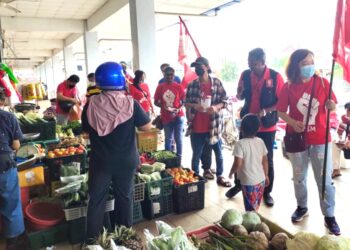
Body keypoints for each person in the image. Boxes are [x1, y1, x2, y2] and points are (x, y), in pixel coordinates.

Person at [82, 62, 151, 242]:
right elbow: (146, 127)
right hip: (125, 161)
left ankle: (93, 241)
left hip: (101, 162)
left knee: (96, 200)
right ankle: (124, 238)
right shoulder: (131, 104)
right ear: (121, 80)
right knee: (125, 197)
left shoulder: (89, 106)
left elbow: (86, 130)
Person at [277, 49, 340, 235]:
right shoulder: (288, 87)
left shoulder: (322, 82)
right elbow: (280, 111)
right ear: (296, 65)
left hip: (321, 139)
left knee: (325, 181)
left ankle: (329, 216)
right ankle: (302, 207)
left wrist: (332, 106)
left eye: (311, 62)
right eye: (305, 63)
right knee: (299, 177)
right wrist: (292, 123)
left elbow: (334, 105)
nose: (309, 66)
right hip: (297, 140)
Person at [226, 48, 284, 206]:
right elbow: (240, 96)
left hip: (267, 126)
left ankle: (267, 191)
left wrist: (267, 110)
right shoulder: (245, 75)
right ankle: (239, 185)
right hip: (248, 124)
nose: (251, 67)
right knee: (241, 156)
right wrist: (239, 94)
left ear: (263, 62)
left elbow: (282, 101)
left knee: (267, 159)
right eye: (249, 64)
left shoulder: (275, 76)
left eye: (254, 64)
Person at [185, 56, 231, 187]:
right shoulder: (192, 84)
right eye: (195, 66)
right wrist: (195, 106)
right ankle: (195, 179)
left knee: (219, 155)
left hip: (214, 126)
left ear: (206, 66)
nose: (197, 68)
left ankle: (220, 176)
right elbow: (186, 102)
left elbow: (226, 101)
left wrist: (215, 107)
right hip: (197, 126)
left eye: (200, 66)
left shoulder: (216, 82)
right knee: (196, 155)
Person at [0, 89, 30, 250]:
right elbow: (16, 145)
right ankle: (13, 240)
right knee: (11, 203)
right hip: (3, 165)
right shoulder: (8, 117)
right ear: (3, 102)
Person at [229, 114, 269, 211]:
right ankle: (255, 220)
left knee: (250, 209)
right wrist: (266, 175)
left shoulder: (240, 144)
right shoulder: (260, 141)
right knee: (256, 206)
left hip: (248, 182)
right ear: (258, 129)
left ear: (241, 128)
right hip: (261, 180)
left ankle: (252, 223)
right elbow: (265, 161)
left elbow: (237, 164)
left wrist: (231, 172)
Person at [154, 66, 185, 157]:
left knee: (178, 139)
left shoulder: (179, 87)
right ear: (164, 75)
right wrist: (163, 106)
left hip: (178, 116)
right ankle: (168, 159)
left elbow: (184, 100)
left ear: (174, 75)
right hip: (166, 117)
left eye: (171, 75)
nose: (170, 77)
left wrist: (179, 108)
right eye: (168, 75)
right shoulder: (160, 87)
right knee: (168, 139)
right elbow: (155, 101)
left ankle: (179, 159)